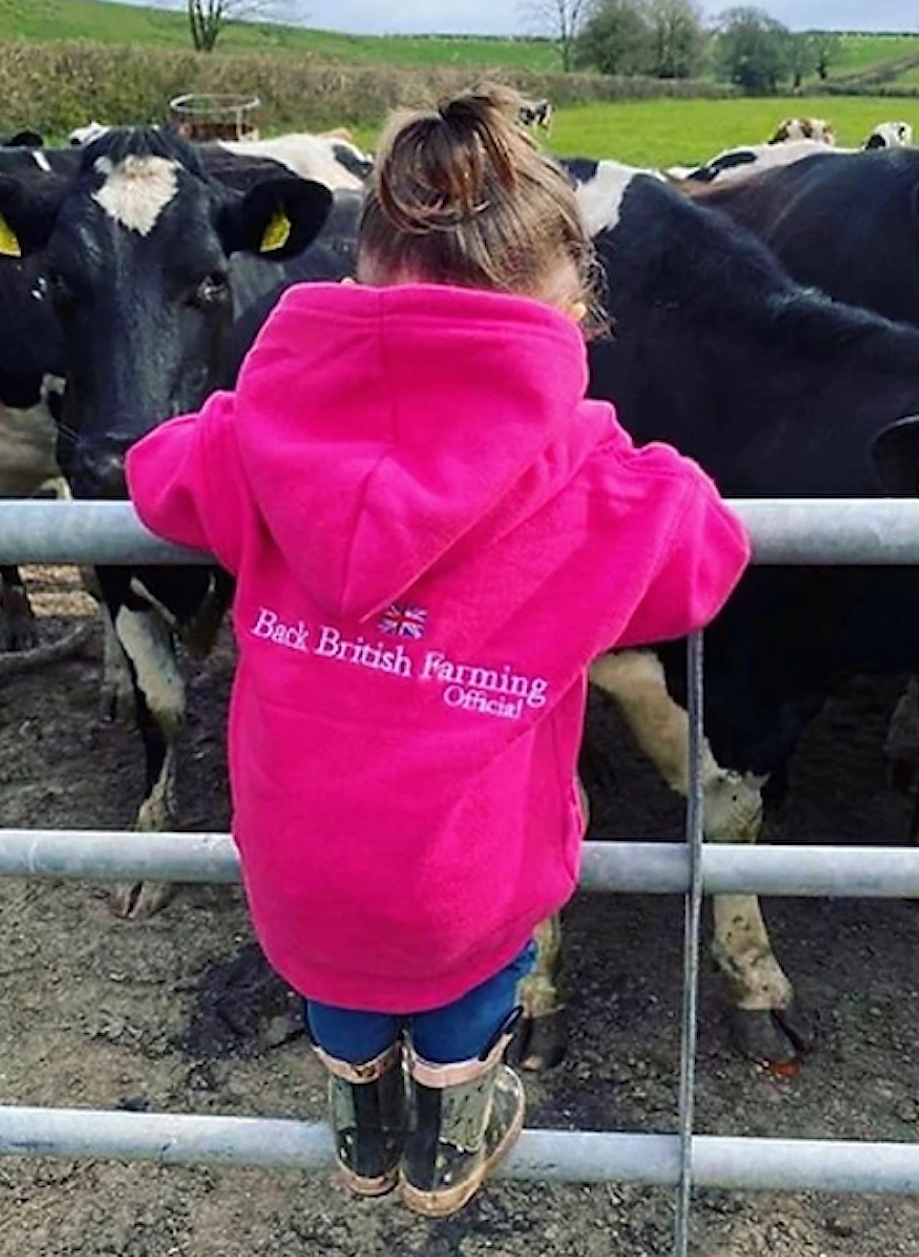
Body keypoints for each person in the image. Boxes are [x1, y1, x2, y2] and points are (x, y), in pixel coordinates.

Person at [125, 84, 750, 1217]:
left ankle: (362, 1128)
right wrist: (606, 438)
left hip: (293, 878)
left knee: (343, 978)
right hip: (466, 885)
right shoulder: (591, 483)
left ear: (359, 279)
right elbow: (704, 557)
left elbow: (158, 472)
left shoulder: (260, 439)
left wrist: (248, 418)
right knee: (470, 977)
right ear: (564, 303)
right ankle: (450, 1139)